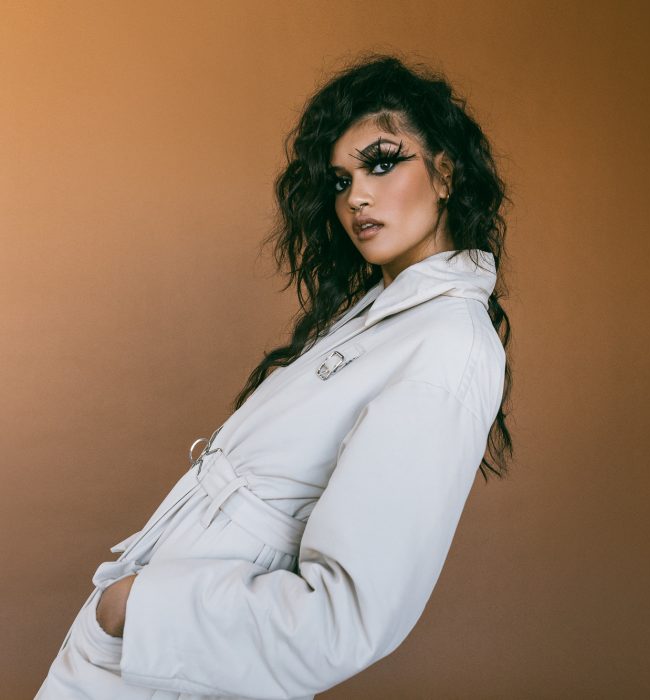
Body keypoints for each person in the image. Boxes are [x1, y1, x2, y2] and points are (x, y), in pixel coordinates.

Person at [36, 52, 513, 699]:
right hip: (143, 662)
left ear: (445, 173)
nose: (357, 197)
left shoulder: (446, 345)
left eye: (380, 163)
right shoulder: (379, 320)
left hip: (176, 664)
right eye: (340, 180)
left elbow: (346, 619)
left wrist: (134, 609)